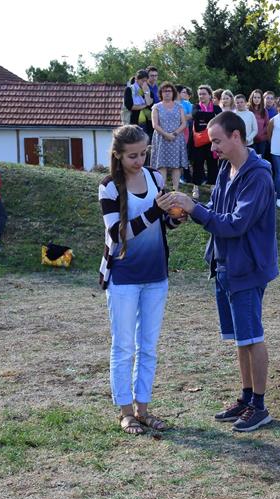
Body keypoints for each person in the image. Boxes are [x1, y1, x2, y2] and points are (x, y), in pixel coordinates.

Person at [164, 111, 279, 432]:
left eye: (216, 141)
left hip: (248, 268)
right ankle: (246, 398)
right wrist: (189, 212)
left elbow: (236, 224)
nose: (211, 147)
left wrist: (194, 208)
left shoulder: (258, 177)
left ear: (236, 137)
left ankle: (259, 405)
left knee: (253, 337)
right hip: (225, 265)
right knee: (241, 338)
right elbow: (217, 212)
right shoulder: (227, 171)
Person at [98, 125, 186, 434]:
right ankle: (125, 412)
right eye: (132, 156)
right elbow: (116, 236)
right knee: (124, 347)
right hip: (123, 277)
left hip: (155, 275)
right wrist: (153, 210)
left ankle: (143, 409)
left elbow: (163, 224)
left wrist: (175, 216)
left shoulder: (155, 178)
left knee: (148, 346)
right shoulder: (109, 186)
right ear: (118, 156)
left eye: (143, 153)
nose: (139, 160)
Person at [151, 82, 188, 191]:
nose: (167, 93)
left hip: (177, 138)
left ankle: (175, 190)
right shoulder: (156, 107)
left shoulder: (179, 106)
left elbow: (184, 123)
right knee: (162, 165)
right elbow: (155, 125)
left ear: (173, 93)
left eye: (169, 91)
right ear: (161, 93)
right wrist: (166, 134)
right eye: (164, 91)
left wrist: (174, 134)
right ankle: (162, 190)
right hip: (161, 138)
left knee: (176, 165)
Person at [189, 85, 223, 198]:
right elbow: (195, 115)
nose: (201, 96)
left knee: (212, 164)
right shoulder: (196, 106)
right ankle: (196, 187)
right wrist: (211, 116)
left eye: (204, 93)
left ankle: (213, 186)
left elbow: (220, 119)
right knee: (197, 164)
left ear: (210, 95)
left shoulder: (217, 108)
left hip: (212, 142)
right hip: (198, 141)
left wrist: (204, 117)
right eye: (200, 94)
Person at [248, 89, 269, 158]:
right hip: (251, 140)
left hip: (262, 140)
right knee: (252, 159)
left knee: (260, 158)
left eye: (258, 97)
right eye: (255, 97)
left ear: (261, 99)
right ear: (252, 98)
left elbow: (267, 125)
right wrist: (253, 135)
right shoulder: (248, 110)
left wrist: (260, 134)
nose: (256, 99)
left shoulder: (264, 111)